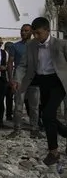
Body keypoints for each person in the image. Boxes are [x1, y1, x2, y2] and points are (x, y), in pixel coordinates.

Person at [12, 17, 67, 166]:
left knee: (48, 114)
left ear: (48, 31)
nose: (36, 36)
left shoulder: (61, 44)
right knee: (46, 115)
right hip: (42, 82)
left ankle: (53, 152)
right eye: (34, 33)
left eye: (39, 33)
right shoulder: (31, 46)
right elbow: (22, 65)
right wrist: (17, 79)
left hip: (59, 82)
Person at [7, 24, 41, 139]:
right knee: (18, 106)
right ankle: (17, 130)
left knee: (34, 107)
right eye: (22, 30)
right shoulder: (15, 46)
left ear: (31, 32)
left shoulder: (37, 45)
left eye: (26, 31)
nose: (23, 33)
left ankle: (34, 130)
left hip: (34, 80)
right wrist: (11, 79)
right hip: (20, 79)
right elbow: (10, 63)